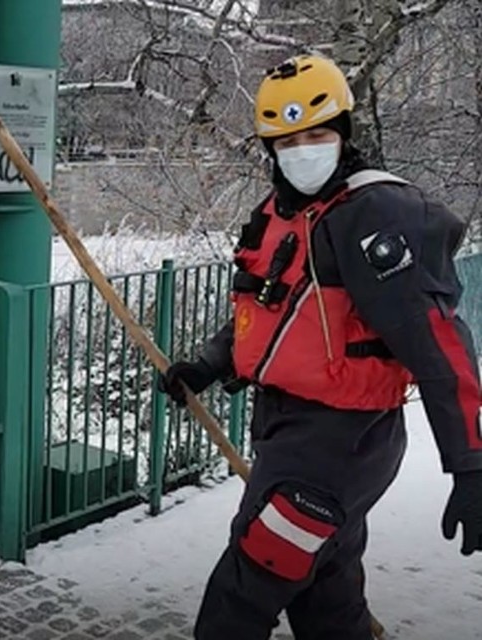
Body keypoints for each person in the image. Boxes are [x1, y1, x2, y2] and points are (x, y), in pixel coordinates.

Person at [158, 54, 482, 639]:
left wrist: (471, 463)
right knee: (327, 603)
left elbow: (438, 342)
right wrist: (207, 365)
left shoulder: (373, 215)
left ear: (344, 133)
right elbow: (272, 315)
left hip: (341, 443)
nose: (302, 150)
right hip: (286, 432)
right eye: (286, 141)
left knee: (242, 592)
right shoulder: (281, 213)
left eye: (317, 134)